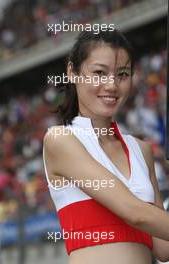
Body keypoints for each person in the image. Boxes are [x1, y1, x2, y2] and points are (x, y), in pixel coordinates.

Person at [43, 29, 169, 264]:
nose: (111, 85)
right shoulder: (60, 139)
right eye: (99, 72)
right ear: (72, 71)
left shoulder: (142, 150)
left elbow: (163, 247)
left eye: (122, 74)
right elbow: (136, 213)